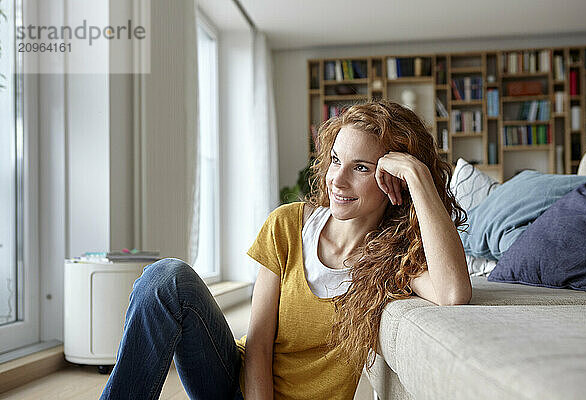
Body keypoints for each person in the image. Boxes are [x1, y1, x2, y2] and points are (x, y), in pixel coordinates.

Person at [99, 100, 471, 400]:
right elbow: (258, 343)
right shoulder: (288, 224)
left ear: (394, 181)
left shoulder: (394, 260)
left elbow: (453, 293)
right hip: (235, 382)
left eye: (360, 167)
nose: (337, 179)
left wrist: (419, 176)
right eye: (336, 160)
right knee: (166, 278)